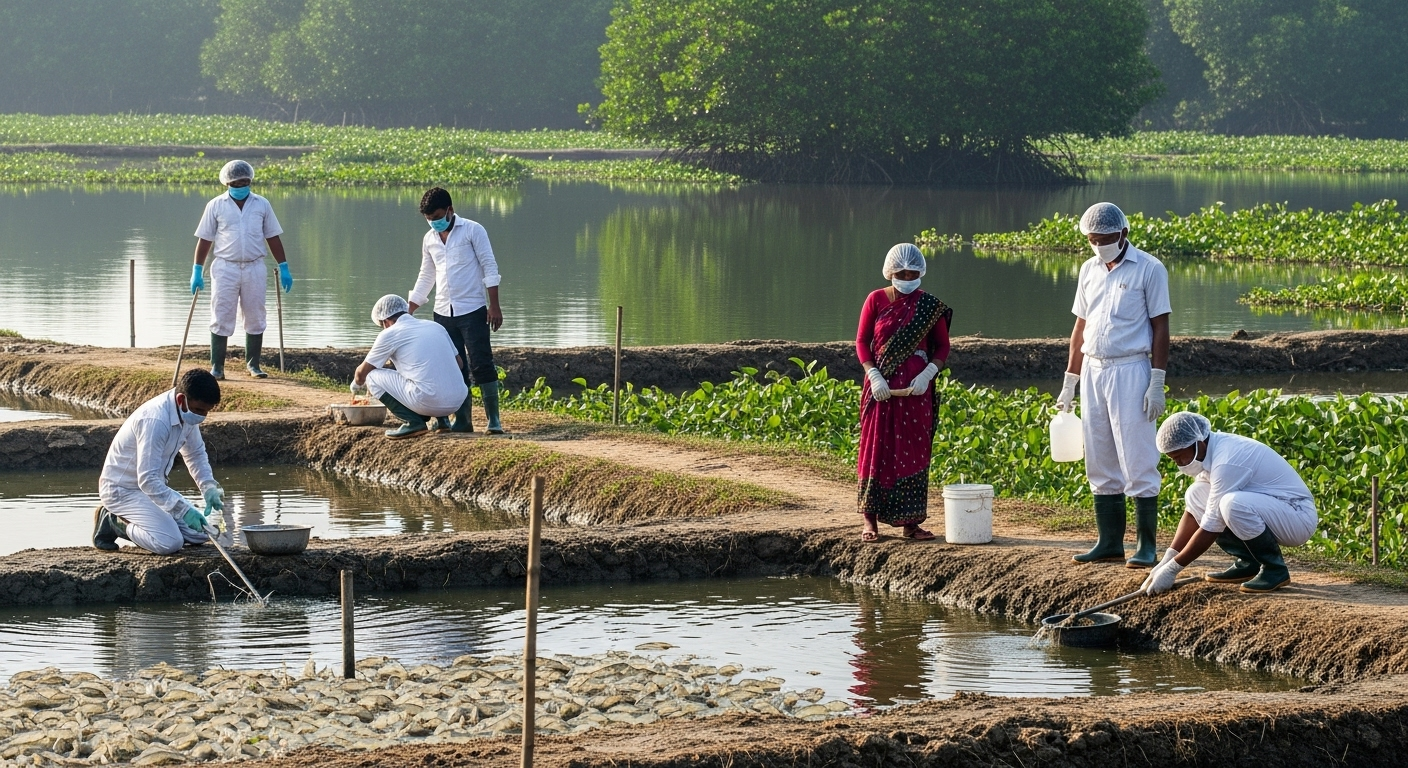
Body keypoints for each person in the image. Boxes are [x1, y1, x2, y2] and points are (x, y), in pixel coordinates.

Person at [1056, 202, 1171, 568]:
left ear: (1123, 234)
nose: (1099, 245)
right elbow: (1080, 328)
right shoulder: (1089, 269)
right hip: (1094, 369)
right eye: (1092, 240)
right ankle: (1108, 542)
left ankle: (1147, 546)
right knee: (1100, 455)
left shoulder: (1149, 269)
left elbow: (1160, 327)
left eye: (1105, 238)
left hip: (1130, 369)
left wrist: (1157, 380)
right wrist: (1070, 381)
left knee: (1137, 455)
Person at [1142, 412, 1317, 594]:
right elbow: (1193, 512)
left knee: (1231, 504)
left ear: (1198, 443)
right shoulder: (1209, 452)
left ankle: (1275, 568)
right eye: (1173, 459)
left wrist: (1173, 569)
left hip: (1296, 515)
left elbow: (1211, 525)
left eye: (1179, 456)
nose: (1179, 464)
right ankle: (1249, 562)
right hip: (1273, 508)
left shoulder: (1227, 460)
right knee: (1196, 493)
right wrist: (1168, 558)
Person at [855, 243, 952, 542]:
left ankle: (911, 523)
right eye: (901, 272)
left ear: (921, 272)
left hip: (916, 392)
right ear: (890, 272)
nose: (907, 277)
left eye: (912, 272)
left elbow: (943, 347)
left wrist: (928, 374)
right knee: (876, 450)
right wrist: (874, 374)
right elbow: (862, 342)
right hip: (882, 391)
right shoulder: (876, 300)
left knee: (913, 453)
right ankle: (870, 521)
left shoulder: (929, 306)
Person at [92, 369, 225, 555]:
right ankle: (113, 522)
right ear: (181, 400)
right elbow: (147, 479)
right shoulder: (155, 421)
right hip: (123, 491)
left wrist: (208, 486)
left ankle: (158, 524)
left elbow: (195, 453)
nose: (202, 417)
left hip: (152, 489)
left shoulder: (186, 413)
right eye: (199, 410)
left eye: (206, 412)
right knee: (170, 542)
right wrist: (182, 510)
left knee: (203, 533)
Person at [408, 187, 504, 434]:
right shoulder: (429, 239)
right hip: (442, 313)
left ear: (450, 210)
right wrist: (407, 311)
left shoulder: (473, 230)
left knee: (481, 363)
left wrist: (494, 305)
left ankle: (494, 420)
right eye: (429, 219)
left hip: (472, 310)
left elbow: (489, 267)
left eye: (438, 217)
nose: (434, 223)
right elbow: (426, 277)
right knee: (454, 367)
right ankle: (463, 420)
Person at [190, 159, 294, 381]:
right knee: (221, 314)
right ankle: (217, 367)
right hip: (225, 267)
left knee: (255, 314)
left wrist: (283, 265)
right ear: (228, 184)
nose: (242, 186)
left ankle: (253, 364)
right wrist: (197, 270)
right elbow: (205, 239)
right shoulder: (216, 205)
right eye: (237, 183)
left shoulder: (261, 204)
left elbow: (272, 236)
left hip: (254, 266)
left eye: (245, 182)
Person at [352, 295, 470, 439]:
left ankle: (413, 422)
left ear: (385, 322)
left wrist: (356, 385)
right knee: (429, 373)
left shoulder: (389, 333)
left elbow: (362, 373)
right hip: (457, 400)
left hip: (428, 400)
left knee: (372, 377)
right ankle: (442, 421)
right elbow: (459, 363)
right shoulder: (436, 327)